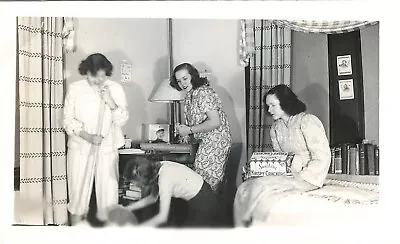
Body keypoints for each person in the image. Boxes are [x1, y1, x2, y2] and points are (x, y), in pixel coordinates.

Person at [234, 84, 331, 226]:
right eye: (268, 106)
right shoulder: (276, 128)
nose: (269, 110)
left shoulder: (307, 121)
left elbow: (323, 156)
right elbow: (279, 159)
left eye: (273, 105)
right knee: (248, 187)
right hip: (288, 175)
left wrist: (304, 178)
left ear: (285, 103)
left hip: (309, 177)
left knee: (261, 189)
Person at [63, 53, 129, 225]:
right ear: (86, 72)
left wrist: (111, 102)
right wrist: (88, 136)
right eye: (94, 76)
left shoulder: (115, 88)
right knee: (78, 197)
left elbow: (121, 120)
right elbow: (67, 120)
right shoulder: (75, 88)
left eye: (102, 76)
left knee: (109, 197)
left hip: (107, 148)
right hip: (80, 148)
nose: (99, 80)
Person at [169, 63, 232, 192]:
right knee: (201, 182)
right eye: (179, 81)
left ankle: (208, 210)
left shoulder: (203, 92)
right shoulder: (189, 95)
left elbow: (215, 122)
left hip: (216, 141)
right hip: (206, 141)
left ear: (193, 76)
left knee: (204, 183)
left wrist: (189, 130)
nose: (182, 83)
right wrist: (186, 133)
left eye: (185, 79)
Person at [108, 156, 219, 227]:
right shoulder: (158, 167)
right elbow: (152, 197)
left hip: (205, 204)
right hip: (201, 197)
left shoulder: (165, 179)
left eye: (136, 182)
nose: (137, 185)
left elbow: (162, 217)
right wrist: (126, 209)